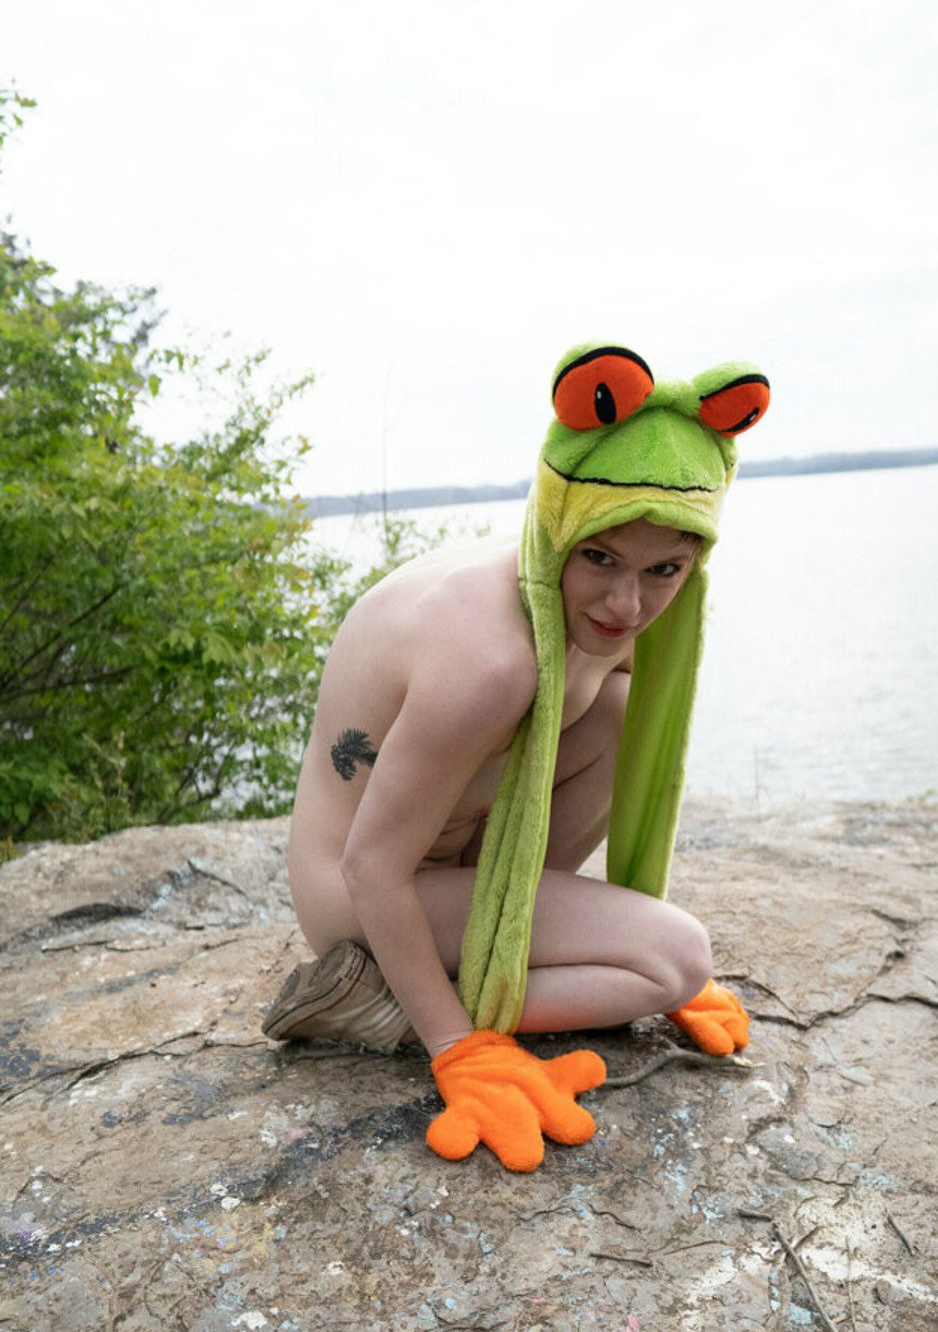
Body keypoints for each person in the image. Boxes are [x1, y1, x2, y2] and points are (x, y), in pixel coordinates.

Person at [263, 344, 770, 1171]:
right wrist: (456, 1049)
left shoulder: (595, 601)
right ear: (563, 523)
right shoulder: (492, 660)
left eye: (664, 570)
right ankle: (382, 1002)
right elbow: (370, 866)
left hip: (463, 855)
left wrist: (603, 932)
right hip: (359, 900)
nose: (628, 603)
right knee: (676, 961)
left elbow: (612, 724)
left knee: (618, 711)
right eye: (601, 557)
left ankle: (491, 955)